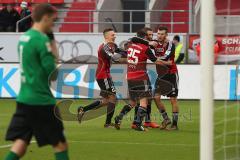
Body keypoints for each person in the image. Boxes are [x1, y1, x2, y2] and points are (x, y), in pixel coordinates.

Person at [4, 4, 69, 160]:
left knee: (20, 143)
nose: (54, 24)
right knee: (60, 144)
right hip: (41, 101)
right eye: (53, 20)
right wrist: (53, 46)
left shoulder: (24, 38)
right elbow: (53, 75)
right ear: (45, 17)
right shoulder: (42, 40)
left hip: (24, 98)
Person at [114, 28, 169, 131]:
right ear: (144, 37)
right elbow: (155, 60)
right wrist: (166, 64)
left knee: (133, 102)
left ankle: (119, 117)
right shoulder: (145, 48)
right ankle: (138, 124)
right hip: (141, 77)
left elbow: (126, 54)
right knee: (144, 102)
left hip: (130, 77)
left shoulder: (131, 47)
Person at [77, 28, 125, 128]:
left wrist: (132, 52)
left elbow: (121, 51)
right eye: (112, 35)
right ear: (106, 37)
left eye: (114, 35)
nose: (115, 36)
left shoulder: (110, 46)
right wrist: (128, 58)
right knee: (113, 98)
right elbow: (114, 58)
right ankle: (107, 123)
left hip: (104, 75)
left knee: (106, 101)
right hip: (103, 75)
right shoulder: (104, 48)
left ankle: (83, 109)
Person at [132, 27, 160, 129]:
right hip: (138, 75)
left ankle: (147, 121)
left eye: (152, 35)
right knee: (140, 99)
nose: (151, 37)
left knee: (148, 98)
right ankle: (136, 122)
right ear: (144, 35)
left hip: (142, 74)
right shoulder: (142, 44)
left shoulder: (148, 45)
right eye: (149, 35)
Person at [154, 26, 180, 130]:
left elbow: (166, 57)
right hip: (161, 75)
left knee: (173, 99)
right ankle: (166, 119)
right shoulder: (154, 43)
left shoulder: (170, 44)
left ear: (166, 35)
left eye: (162, 34)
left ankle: (174, 125)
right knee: (156, 97)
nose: (160, 36)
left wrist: (155, 59)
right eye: (158, 34)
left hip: (171, 74)